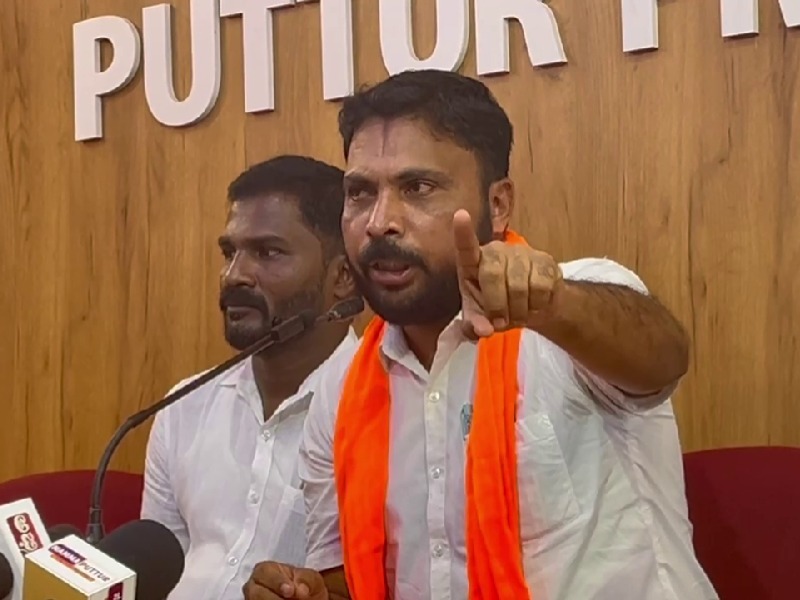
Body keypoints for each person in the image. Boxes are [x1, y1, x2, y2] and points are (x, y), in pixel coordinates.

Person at [244, 71, 718, 599]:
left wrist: (552, 305)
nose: (379, 222)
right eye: (360, 193)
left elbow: (663, 359)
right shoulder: (340, 393)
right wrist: (311, 592)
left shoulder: (570, 313)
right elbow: (352, 580)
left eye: (417, 188)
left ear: (497, 205)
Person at [141, 155, 359, 600]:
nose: (234, 275)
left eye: (268, 252)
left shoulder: (385, 413)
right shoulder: (184, 406)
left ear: (342, 277)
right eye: (229, 252)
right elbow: (155, 574)